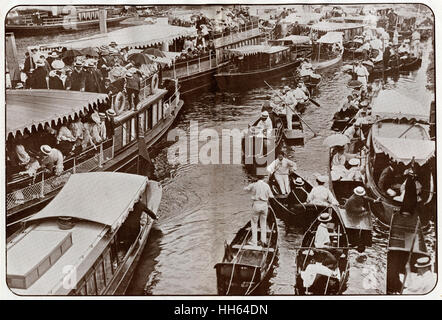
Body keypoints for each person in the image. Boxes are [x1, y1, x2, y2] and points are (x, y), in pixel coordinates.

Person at [244, 177, 274, 247]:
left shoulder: (253, 185)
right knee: (263, 223)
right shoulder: (266, 185)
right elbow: (271, 196)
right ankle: (263, 241)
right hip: (264, 205)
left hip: (256, 204)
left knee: (254, 223)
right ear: (263, 178)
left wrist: (247, 183)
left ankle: (254, 242)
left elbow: (245, 189)